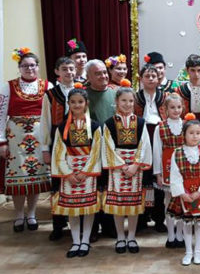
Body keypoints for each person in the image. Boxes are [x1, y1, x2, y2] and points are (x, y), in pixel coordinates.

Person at [0, 48, 51, 233]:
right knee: (18, 177)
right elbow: (0, 115)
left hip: (39, 137)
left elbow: (51, 114)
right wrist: (1, 141)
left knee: (35, 175)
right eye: (25, 66)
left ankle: (32, 213)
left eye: (33, 65)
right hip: (15, 138)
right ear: (19, 68)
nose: (29, 69)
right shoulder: (8, 87)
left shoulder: (48, 86)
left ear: (38, 66)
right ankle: (19, 214)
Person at [50, 88, 103, 258]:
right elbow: (58, 151)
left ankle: (85, 240)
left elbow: (96, 151)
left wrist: (86, 171)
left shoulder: (95, 126)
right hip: (69, 172)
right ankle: (75, 241)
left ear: (86, 103)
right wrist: (67, 173)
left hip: (88, 173)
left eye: (80, 102)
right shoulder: (61, 128)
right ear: (68, 104)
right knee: (72, 208)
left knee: (88, 208)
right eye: (73, 102)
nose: (77, 105)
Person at [101, 86, 152, 254]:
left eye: (130, 101)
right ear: (116, 101)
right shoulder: (109, 123)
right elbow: (108, 146)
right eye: (123, 100)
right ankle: (120, 237)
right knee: (118, 204)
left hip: (135, 169)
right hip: (117, 169)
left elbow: (144, 144)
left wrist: (136, 165)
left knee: (133, 205)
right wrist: (122, 166)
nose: (127, 104)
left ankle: (131, 236)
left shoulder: (140, 122)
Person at [169, 114, 200, 266]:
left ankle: (198, 251)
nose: (195, 136)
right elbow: (175, 175)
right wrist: (182, 193)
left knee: (199, 223)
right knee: (187, 223)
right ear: (184, 134)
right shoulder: (177, 153)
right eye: (191, 133)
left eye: (198, 133)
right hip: (185, 193)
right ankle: (188, 251)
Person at [40, 56, 77, 241]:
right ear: (57, 72)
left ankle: (79, 221)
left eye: (71, 68)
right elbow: (45, 122)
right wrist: (45, 148)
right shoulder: (50, 95)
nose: (68, 72)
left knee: (77, 180)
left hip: (78, 142)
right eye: (64, 69)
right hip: (57, 142)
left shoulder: (82, 90)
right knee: (57, 183)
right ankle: (58, 224)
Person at [84, 59, 118, 240]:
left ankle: (109, 226)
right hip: (91, 151)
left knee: (110, 188)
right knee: (94, 189)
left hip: (113, 151)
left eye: (105, 72)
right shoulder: (83, 96)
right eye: (98, 73)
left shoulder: (115, 93)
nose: (103, 76)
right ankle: (92, 228)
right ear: (88, 76)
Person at [134, 64, 168, 232]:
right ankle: (141, 219)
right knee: (143, 180)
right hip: (141, 137)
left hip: (160, 137)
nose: (151, 79)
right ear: (141, 79)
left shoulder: (165, 97)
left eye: (153, 76)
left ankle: (159, 219)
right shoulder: (135, 97)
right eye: (147, 76)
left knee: (159, 179)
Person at [153, 93, 186, 248]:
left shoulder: (186, 125)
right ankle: (171, 234)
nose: (176, 110)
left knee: (182, 200)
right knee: (169, 201)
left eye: (179, 107)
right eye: (172, 107)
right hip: (167, 168)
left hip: (184, 168)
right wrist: (158, 174)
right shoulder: (160, 127)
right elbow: (157, 152)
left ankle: (180, 233)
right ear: (165, 109)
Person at [176, 54, 200, 121]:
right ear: (187, 70)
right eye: (192, 70)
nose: (196, 74)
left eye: (199, 70)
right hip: (187, 123)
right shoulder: (180, 90)